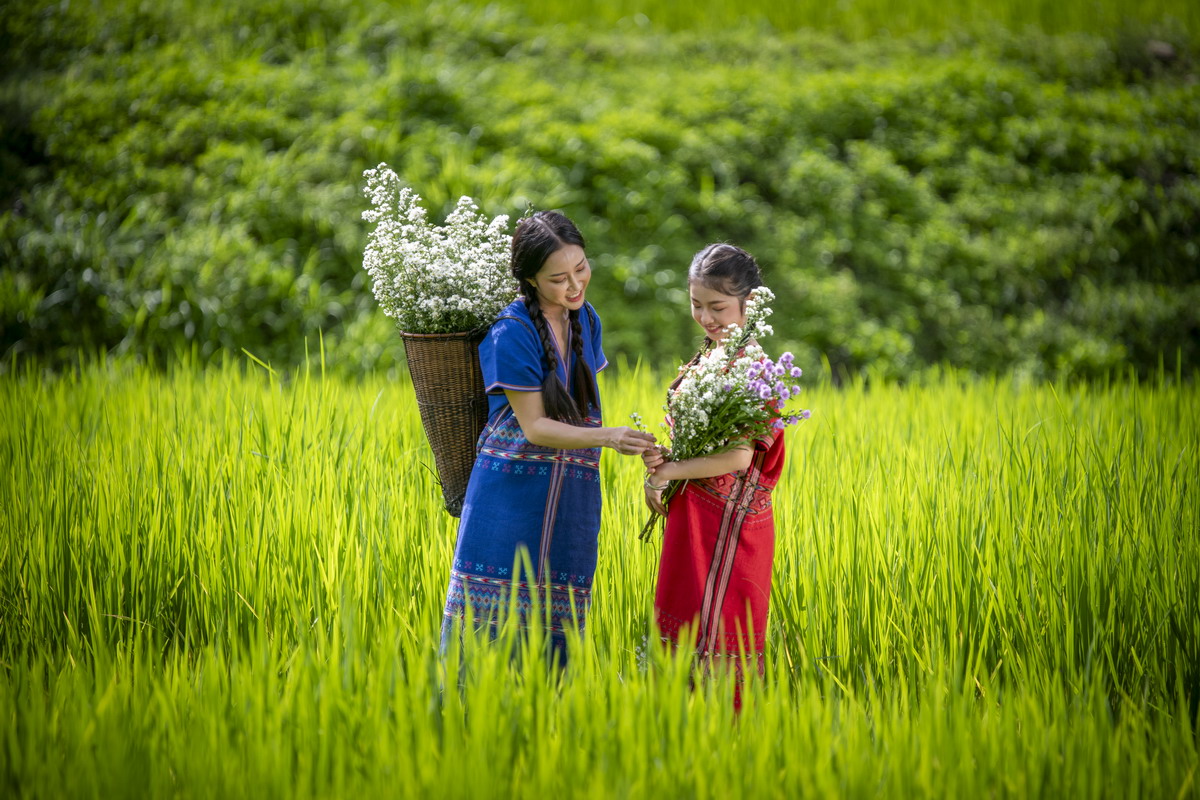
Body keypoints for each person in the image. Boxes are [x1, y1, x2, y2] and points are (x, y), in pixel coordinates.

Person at [441, 210, 655, 665]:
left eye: (581, 269)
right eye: (559, 278)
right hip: (511, 497)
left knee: (556, 620)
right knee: (490, 628)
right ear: (531, 279)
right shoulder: (510, 333)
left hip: (569, 496)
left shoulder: (585, 320)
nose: (575, 285)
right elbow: (535, 426)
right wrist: (608, 437)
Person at [641, 243, 786, 703]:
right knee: (684, 629)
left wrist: (671, 471)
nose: (705, 317)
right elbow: (704, 444)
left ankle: (726, 753)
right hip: (694, 517)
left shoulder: (755, 367)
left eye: (717, 307)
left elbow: (739, 457)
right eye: (696, 305)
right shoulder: (710, 356)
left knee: (720, 642)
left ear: (749, 302)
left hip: (731, 528)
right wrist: (663, 464)